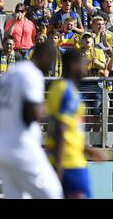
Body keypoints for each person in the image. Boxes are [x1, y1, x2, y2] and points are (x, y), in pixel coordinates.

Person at [0, 41, 63, 199]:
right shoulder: (32, 74)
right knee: (54, 194)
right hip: (23, 149)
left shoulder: (12, 72)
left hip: (2, 149)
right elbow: (32, 113)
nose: (51, 66)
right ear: (45, 56)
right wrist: (53, 108)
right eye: (51, 60)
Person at [46, 49, 106, 199]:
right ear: (73, 65)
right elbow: (60, 128)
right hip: (69, 163)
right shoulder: (68, 91)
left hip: (68, 158)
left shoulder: (59, 88)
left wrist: (86, 149)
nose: (84, 67)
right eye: (82, 63)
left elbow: (64, 129)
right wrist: (59, 168)